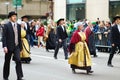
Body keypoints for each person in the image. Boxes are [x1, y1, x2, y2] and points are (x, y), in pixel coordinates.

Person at [2, 11, 24, 80]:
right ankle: (5, 77)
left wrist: (21, 47)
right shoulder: (6, 25)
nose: (15, 17)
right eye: (13, 16)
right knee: (7, 62)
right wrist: (4, 46)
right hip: (8, 47)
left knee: (18, 60)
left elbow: (19, 37)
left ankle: (19, 77)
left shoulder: (18, 26)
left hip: (16, 46)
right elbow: (4, 37)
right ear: (10, 17)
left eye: (15, 16)